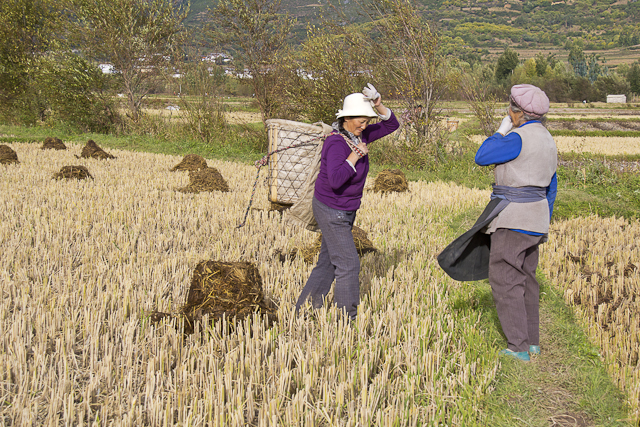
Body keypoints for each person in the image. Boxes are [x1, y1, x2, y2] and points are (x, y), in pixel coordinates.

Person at [437, 84, 557, 362]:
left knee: (505, 279)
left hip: (514, 217)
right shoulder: (548, 139)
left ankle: (518, 347)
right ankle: (533, 342)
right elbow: (552, 187)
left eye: (510, 112)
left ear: (517, 113)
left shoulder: (517, 138)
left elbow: (482, 156)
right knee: (527, 278)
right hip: (536, 217)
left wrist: (500, 131)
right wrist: (544, 220)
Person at [295, 84, 399, 321]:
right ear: (347, 118)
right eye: (361, 121)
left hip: (346, 209)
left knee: (328, 263)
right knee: (349, 264)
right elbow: (336, 180)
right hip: (332, 210)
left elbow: (392, 125)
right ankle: (346, 320)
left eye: (367, 121)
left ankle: (305, 310)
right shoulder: (336, 143)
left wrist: (378, 104)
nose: (365, 126)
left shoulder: (359, 135)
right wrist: (355, 156)